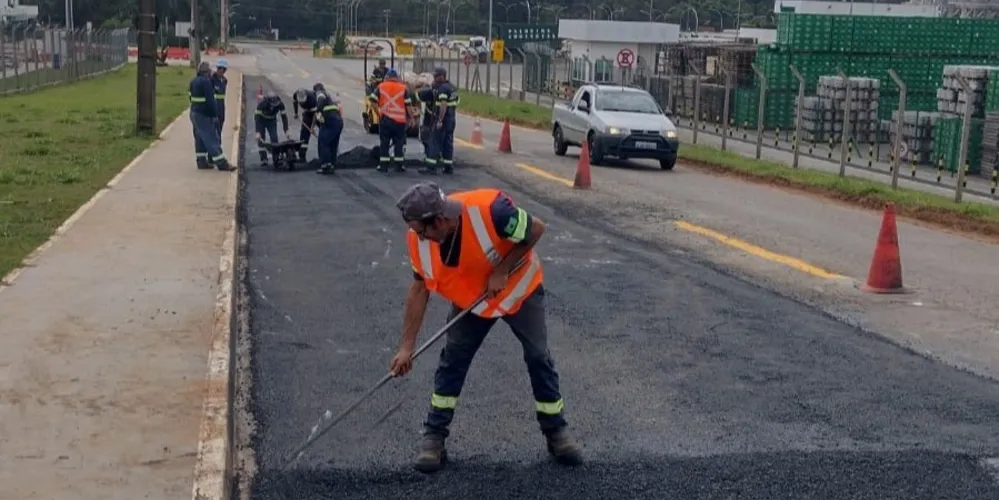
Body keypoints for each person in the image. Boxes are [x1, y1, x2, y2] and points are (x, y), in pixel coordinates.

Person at [391, 181, 584, 474]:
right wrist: (407, 347)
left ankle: (557, 432)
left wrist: (503, 269)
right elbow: (419, 289)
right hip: (474, 302)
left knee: (538, 356)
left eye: (423, 231)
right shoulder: (419, 239)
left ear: (440, 220)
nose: (419, 237)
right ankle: (434, 438)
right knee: (453, 360)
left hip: (519, 290)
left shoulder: (493, 211)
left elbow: (536, 229)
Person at [368, 68, 414, 173]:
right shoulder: (403, 88)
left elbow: (372, 100)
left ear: (387, 77)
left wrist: (378, 112)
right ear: (397, 78)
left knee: (384, 142)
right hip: (399, 121)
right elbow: (408, 106)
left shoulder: (381, 86)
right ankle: (399, 166)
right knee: (399, 143)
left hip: (385, 119)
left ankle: (383, 166)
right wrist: (411, 118)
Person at [189, 61, 232, 171]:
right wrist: (214, 114)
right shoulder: (206, 82)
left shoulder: (193, 81)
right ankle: (222, 163)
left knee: (199, 137)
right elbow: (211, 101)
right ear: (207, 72)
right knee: (211, 138)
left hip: (194, 112)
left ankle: (201, 161)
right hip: (204, 114)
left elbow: (190, 97)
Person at [422, 67, 458, 175]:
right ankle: (448, 167)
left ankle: (431, 167)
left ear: (442, 76)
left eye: (436, 76)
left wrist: (440, 120)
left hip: (443, 120)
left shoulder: (442, 88)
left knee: (434, 142)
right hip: (451, 120)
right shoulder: (452, 88)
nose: (434, 78)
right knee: (448, 143)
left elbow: (443, 104)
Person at [313, 85, 343, 175]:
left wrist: (318, 110)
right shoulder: (329, 98)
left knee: (323, 142)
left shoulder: (320, 94)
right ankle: (331, 164)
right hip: (338, 121)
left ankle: (326, 165)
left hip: (331, 120)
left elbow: (320, 102)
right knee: (333, 144)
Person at [255, 91, 290, 165]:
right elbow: (257, 118)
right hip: (262, 121)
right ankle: (264, 159)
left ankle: (276, 157)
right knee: (261, 140)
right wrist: (258, 132)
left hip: (272, 121)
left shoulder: (280, 104)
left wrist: (286, 130)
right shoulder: (262, 104)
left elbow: (284, 117)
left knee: (274, 138)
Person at [293, 85, 320, 161]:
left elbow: (315, 115)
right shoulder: (296, 94)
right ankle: (302, 156)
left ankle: (328, 150)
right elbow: (294, 102)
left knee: (324, 128)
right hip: (307, 113)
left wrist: (312, 128)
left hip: (318, 113)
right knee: (304, 133)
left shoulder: (312, 98)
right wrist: (296, 113)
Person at [417, 87, 436, 162]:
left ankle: (430, 158)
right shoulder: (430, 93)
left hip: (430, 122)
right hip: (434, 121)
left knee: (428, 139)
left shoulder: (429, 93)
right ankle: (432, 156)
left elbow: (418, 95)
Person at [211, 59, 229, 135]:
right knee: (213, 123)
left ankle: (218, 140)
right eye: (220, 68)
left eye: (224, 69)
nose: (222, 71)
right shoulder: (212, 79)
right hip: (214, 103)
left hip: (221, 104)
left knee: (221, 120)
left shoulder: (225, 80)